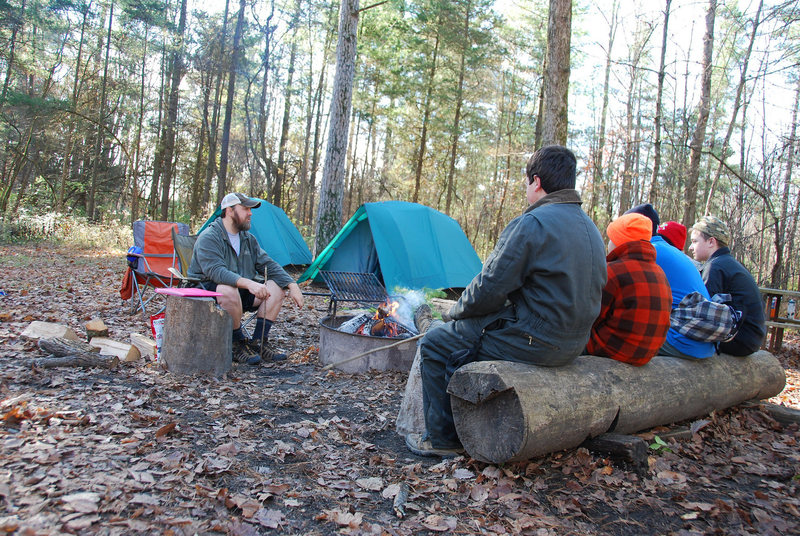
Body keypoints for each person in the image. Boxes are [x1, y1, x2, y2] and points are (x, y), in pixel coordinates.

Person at [406, 145, 607, 457]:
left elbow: (490, 288)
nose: (527, 188)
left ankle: (442, 439)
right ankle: (466, 418)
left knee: (435, 342)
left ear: (536, 182)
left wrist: (456, 313)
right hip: (574, 343)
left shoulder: (534, 223)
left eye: (527, 182)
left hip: (536, 341)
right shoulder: (590, 228)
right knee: (465, 335)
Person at [188, 192, 304, 365]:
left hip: (240, 292)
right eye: (245, 209)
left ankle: (259, 342)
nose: (250, 213)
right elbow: (216, 272)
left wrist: (292, 284)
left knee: (276, 287)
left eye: (250, 209)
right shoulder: (210, 237)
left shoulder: (248, 239)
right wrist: (249, 283)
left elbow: (268, 264)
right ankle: (237, 343)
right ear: (229, 210)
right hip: (206, 291)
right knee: (228, 289)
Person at [625, 206, 715, 360]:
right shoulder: (667, 250)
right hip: (703, 343)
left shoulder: (649, 252)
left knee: (614, 333)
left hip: (681, 341)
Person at [585, 213, 672, 366]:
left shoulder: (613, 271)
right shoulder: (660, 272)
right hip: (646, 355)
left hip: (612, 352)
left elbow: (589, 316)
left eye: (611, 238)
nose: (608, 243)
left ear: (619, 242)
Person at [689, 215, 766, 356]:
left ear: (711, 241)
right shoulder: (727, 262)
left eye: (695, 241)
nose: (690, 247)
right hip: (751, 339)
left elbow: (702, 310)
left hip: (739, 340)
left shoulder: (715, 266)